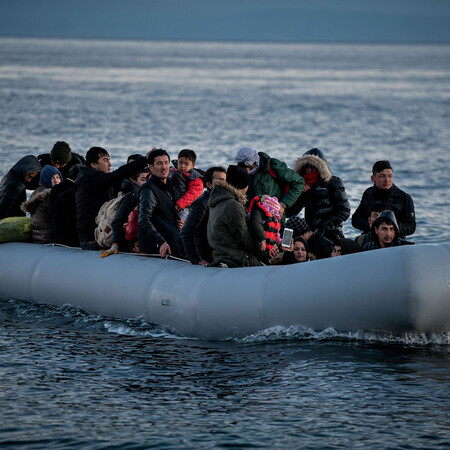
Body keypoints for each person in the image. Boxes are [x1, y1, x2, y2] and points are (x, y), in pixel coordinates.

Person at [75, 146, 151, 250]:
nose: (110, 164)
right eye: (105, 160)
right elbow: (118, 175)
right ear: (93, 164)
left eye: (109, 160)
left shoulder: (89, 177)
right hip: (93, 240)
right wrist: (145, 160)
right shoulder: (92, 178)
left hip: (96, 236)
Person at [207, 165, 265, 267]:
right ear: (245, 186)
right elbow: (243, 238)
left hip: (220, 256)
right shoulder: (234, 206)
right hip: (237, 259)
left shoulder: (216, 201)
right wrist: (264, 253)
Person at [288, 148, 350, 242]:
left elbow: (344, 211)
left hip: (330, 231)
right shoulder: (301, 185)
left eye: (312, 166)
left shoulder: (333, 182)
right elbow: (290, 213)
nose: (309, 169)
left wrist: (323, 226)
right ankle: (282, 252)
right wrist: (301, 194)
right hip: (310, 232)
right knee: (289, 228)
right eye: (306, 166)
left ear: (320, 167)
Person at [138, 149, 184, 258]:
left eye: (166, 163)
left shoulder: (170, 187)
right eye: (159, 164)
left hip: (172, 244)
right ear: (151, 167)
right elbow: (143, 219)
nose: (164, 167)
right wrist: (160, 242)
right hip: (158, 249)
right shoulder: (148, 189)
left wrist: (179, 223)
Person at [235, 147, 305, 218]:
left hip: (273, 218)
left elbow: (299, 182)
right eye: (242, 166)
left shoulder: (272, 165)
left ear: (255, 160)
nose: (246, 169)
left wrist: (283, 204)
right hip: (250, 217)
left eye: (248, 165)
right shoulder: (239, 172)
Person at [352, 160, 416, 238]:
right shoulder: (368, 193)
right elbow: (355, 220)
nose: (387, 180)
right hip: (370, 238)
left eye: (390, 176)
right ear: (373, 178)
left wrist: (389, 228)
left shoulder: (404, 198)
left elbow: (411, 226)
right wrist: (374, 226)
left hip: (394, 241)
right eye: (382, 176)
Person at [180, 166, 227, 265]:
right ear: (209, 184)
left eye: (225, 181)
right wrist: (196, 259)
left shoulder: (222, 201)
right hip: (206, 256)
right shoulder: (201, 203)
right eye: (220, 181)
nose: (225, 185)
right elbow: (186, 231)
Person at [103, 168, 150, 255]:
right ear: (136, 181)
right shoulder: (130, 198)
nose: (146, 182)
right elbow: (117, 222)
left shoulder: (155, 196)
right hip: (130, 246)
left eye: (148, 179)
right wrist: (115, 245)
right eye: (143, 180)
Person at [21, 165, 62, 244]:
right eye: (53, 178)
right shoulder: (51, 194)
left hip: (36, 236)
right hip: (48, 237)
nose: (56, 181)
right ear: (46, 179)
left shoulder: (36, 192)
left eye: (58, 177)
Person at [49, 164, 81, 247]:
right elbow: (71, 220)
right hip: (68, 241)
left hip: (57, 238)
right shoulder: (70, 193)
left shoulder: (57, 189)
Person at [0, 155, 42, 220]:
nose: (29, 180)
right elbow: (3, 210)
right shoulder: (17, 186)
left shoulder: (9, 176)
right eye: (29, 176)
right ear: (24, 170)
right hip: (12, 224)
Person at [170, 149, 204, 221]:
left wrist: (180, 204)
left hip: (185, 208)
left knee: (183, 222)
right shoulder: (173, 171)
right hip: (172, 204)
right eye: (180, 163)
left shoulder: (195, 178)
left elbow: (192, 194)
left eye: (186, 164)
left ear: (193, 165)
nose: (182, 166)